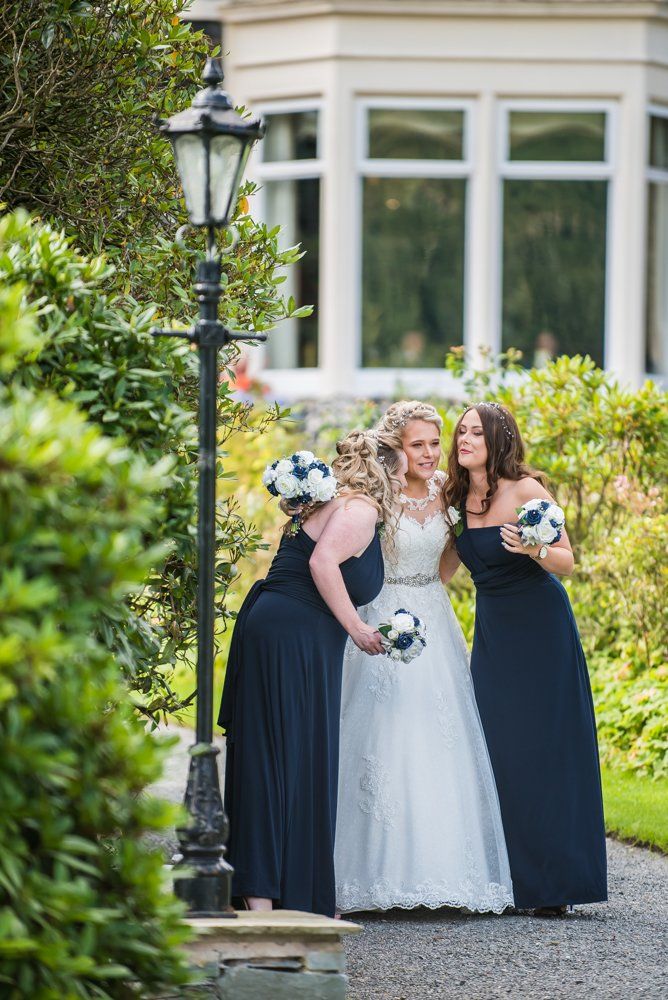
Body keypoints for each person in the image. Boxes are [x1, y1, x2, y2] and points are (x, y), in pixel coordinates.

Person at [334, 401, 513, 915]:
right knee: (378, 733)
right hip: (380, 610)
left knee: (440, 735)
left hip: (432, 616)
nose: (431, 454)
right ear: (398, 448)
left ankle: (442, 871)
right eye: (419, 445)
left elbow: (450, 556)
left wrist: (426, 597)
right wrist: (385, 602)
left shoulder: (447, 493)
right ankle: (370, 874)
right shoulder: (376, 492)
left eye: (436, 443)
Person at [218, 430, 404, 917]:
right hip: (292, 638)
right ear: (387, 473)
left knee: (281, 758)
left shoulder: (331, 502)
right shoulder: (361, 509)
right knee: (284, 759)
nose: (405, 484)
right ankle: (271, 901)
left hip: (287, 634)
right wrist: (358, 628)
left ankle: (275, 896)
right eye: (402, 474)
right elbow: (323, 564)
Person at [445, 401, 607, 915]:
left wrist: (533, 550)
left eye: (475, 431)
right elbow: (441, 568)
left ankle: (555, 885)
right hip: (496, 635)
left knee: (548, 747)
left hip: (542, 631)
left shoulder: (527, 491)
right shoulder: (453, 498)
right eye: (461, 432)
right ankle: (508, 879)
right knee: (499, 745)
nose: (464, 439)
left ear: (499, 438)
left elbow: (567, 562)